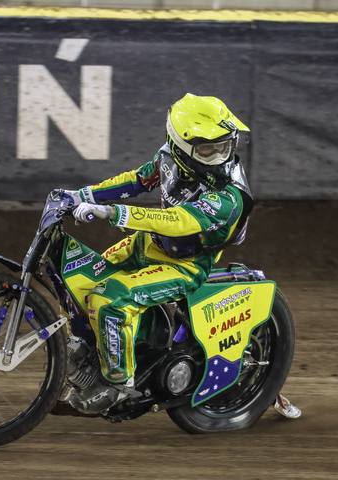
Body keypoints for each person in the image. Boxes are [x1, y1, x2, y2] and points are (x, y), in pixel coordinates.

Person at [63, 93, 301, 419]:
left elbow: (177, 221)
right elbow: (138, 180)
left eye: (225, 146)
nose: (219, 157)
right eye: (208, 149)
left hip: (187, 265)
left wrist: (113, 213)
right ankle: (89, 353)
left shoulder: (230, 196)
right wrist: (82, 195)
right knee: (84, 278)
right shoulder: (169, 157)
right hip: (147, 245)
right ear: (180, 145)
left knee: (111, 299)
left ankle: (117, 384)